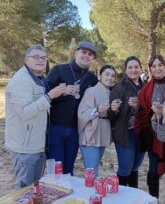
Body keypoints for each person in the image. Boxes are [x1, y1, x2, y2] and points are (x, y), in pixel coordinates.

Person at [5, 45, 65, 189]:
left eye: (44, 57)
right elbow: (24, 112)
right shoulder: (21, 80)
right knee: (24, 189)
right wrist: (50, 96)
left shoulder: (39, 78)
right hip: (24, 147)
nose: (40, 60)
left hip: (37, 145)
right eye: (36, 57)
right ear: (26, 59)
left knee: (34, 187)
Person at [46, 41, 98, 175]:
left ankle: (68, 195)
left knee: (68, 170)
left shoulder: (92, 78)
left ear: (92, 58)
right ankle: (56, 194)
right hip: (56, 128)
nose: (86, 56)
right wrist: (62, 92)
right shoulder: (59, 69)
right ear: (76, 52)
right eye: (83, 52)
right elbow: (45, 94)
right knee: (56, 170)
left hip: (76, 130)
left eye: (90, 54)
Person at [135, 55, 165, 197]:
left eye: (160, 65)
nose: (157, 68)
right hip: (155, 136)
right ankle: (154, 199)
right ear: (150, 69)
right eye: (154, 66)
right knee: (153, 172)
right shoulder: (146, 89)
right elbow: (142, 113)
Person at [107, 56, 145, 188]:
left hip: (141, 134)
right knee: (125, 169)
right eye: (130, 67)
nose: (133, 70)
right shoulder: (119, 87)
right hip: (125, 135)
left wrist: (137, 106)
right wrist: (113, 109)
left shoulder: (145, 87)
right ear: (125, 70)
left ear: (141, 68)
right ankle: (120, 197)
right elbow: (111, 115)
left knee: (135, 168)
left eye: (136, 67)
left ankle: (133, 195)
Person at [77, 65, 116, 177]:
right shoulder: (91, 91)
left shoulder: (112, 93)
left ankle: (93, 192)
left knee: (95, 168)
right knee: (91, 171)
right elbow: (82, 112)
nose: (110, 78)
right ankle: (90, 193)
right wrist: (97, 109)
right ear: (100, 76)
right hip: (91, 133)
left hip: (103, 132)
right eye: (107, 74)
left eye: (113, 76)